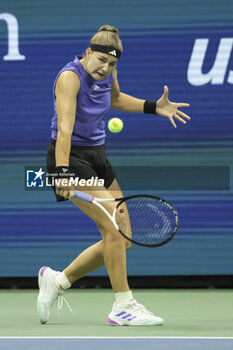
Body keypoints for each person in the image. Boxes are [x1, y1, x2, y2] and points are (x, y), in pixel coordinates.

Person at [37, 25, 190, 326]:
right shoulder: (69, 78)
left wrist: (152, 107)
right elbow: (65, 130)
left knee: (123, 238)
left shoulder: (107, 73)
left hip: (98, 156)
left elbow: (114, 99)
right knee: (113, 230)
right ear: (89, 52)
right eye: (101, 61)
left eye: (112, 64)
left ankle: (56, 281)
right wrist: (64, 173)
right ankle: (123, 306)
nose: (105, 68)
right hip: (70, 158)